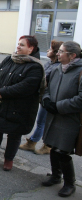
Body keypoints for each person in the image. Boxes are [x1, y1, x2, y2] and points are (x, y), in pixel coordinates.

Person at [0, 35, 45, 171]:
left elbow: (25, 87)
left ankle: (8, 160)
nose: (18, 46)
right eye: (18, 44)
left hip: (19, 108)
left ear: (31, 49)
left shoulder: (35, 67)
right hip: (0, 104)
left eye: (22, 45)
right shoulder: (10, 59)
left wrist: (2, 91)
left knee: (14, 134)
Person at [41, 41, 82, 197]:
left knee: (63, 151)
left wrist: (58, 106)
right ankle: (55, 175)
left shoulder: (80, 71)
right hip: (53, 116)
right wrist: (46, 100)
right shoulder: (58, 68)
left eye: (61, 51)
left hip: (69, 119)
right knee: (52, 146)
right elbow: (47, 88)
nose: (57, 53)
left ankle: (69, 183)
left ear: (72, 56)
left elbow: (80, 99)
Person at [19, 40, 63, 154]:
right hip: (44, 96)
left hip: (50, 98)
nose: (48, 50)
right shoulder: (49, 63)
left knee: (43, 122)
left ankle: (41, 144)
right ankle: (40, 143)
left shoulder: (57, 66)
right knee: (42, 121)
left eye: (51, 49)